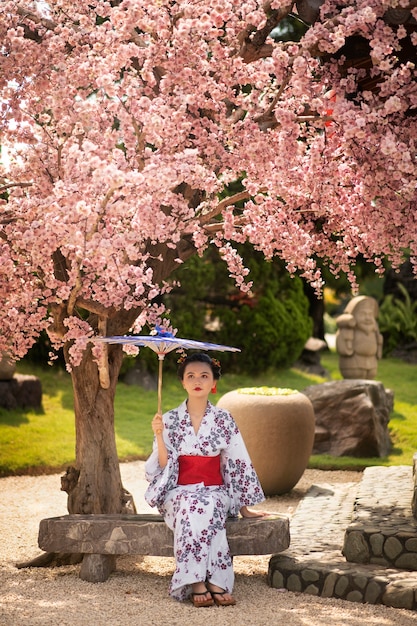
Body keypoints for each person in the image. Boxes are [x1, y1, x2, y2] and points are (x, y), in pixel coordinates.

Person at [144, 352, 266, 607]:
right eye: (191, 376)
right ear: (183, 382)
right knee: (192, 506)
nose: (197, 380)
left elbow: (237, 461)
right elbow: (165, 466)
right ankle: (206, 581)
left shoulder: (223, 419)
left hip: (214, 490)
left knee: (207, 506)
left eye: (204, 375)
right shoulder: (169, 419)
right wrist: (159, 435)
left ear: (213, 382)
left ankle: (200, 579)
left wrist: (244, 507)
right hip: (178, 491)